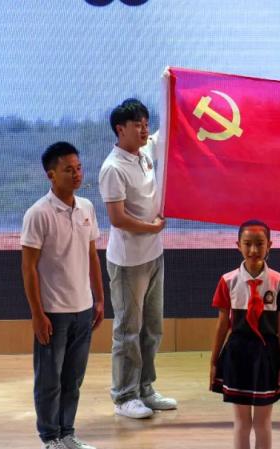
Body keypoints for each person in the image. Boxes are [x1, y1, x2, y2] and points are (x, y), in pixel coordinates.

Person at [21, 142, 104, 449]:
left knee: (73, 379)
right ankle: (49, 438)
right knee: (49, 379)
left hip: (83, 309)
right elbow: (29, 268)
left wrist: (99, 299)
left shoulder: (87, 207)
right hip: (53, 312)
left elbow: (92, 255)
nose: (77, 174)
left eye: (79, 168)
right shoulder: (38, 214)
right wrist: (37, 314)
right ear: (51, 175)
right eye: (68, 169)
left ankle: (67, 432)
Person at [99, 98, 176, 419]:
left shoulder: (144, 152)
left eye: (146, 124)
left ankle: (145, 388)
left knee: (152, 328)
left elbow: (167, 132)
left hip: (154, 255)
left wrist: (171, 87)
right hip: (128, 261)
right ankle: (124, 396)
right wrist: (152, 227)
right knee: (128, 330)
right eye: (137, 125)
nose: (144, 130)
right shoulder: (112, 168)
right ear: (120, 129)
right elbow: (117, 218)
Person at [210, 220, 280, 449]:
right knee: (241, 422)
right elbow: (222, 324)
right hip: (237, 356)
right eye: (248, 244)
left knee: (263, 422)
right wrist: (213, 361)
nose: (254, 250)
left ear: (270, 246)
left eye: (260, 244)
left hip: (267, 357)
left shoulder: (279, 282)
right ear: (238, 246)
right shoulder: (228, 281)